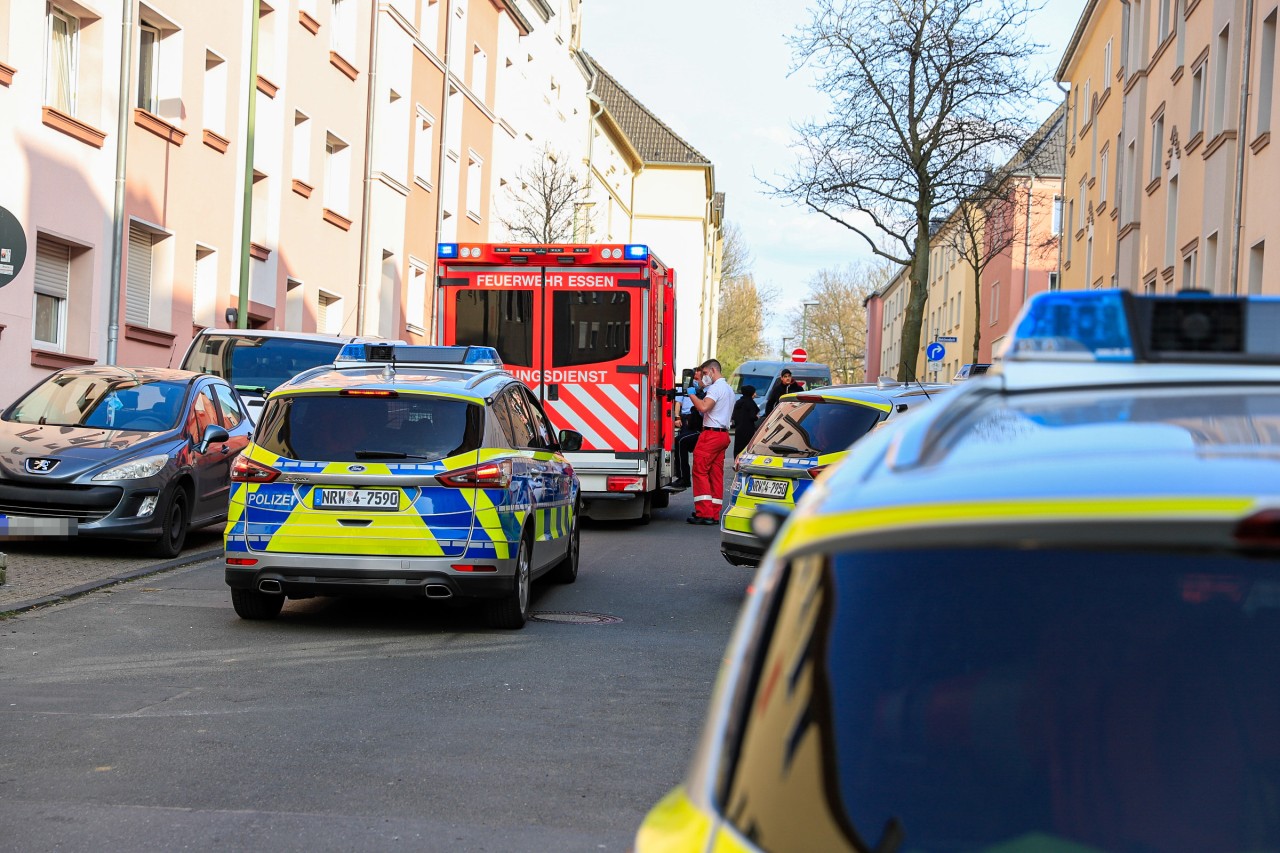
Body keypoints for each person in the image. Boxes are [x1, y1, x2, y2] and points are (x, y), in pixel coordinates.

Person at [686, 358, 735, 525]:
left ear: (713, 371)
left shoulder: (715, 388)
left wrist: (691, 394)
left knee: (700, 471)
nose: (704, 377)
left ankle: (704, 512)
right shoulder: (728, 389)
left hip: (711, 435)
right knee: (715, 474)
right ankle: (714, 513)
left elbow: (704, 407)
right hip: (723, 435)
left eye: (705, 373)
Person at [672, 387, 702, 488]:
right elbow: (678, 403)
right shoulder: (685, 388)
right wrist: (677, 417)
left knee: (680, 442)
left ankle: (684, 478)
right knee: (681, 443)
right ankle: (683, 477)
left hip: (700, 423)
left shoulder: (708, 390)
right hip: (687, 419)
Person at [732, 385, 760, 458]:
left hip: (739, 429)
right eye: (754, 392)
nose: (755, 394)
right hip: (748, 429)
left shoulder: (738, 402)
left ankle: (736, 461)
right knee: (747, 447)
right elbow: (752, 416)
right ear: (750, 393)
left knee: (738, 448)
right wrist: (757, 417)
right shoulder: (750, 403)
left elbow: (734, 416)